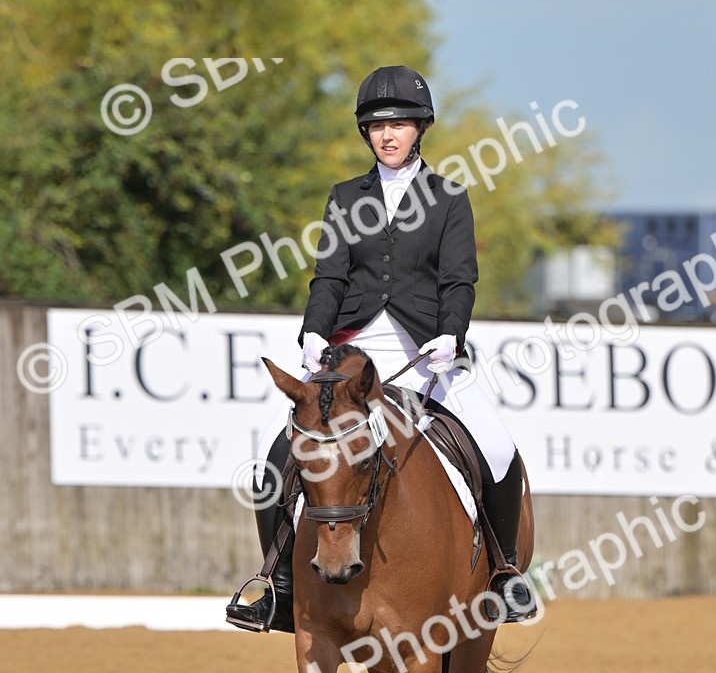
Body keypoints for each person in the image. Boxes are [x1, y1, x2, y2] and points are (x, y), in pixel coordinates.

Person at [226, 64, 536, 632]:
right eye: (377, 127)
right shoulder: (346, 197)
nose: (388, 135)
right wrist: (313, 332)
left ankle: (505, 572)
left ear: (421, 129)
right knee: (274, 456)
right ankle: (278, 584)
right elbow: (329, 277)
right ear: (366, 134)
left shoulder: (448, 198)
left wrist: (452, 333)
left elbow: (458, 280)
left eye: (399, 124)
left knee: (496, 445)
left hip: (427, 347)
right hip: (355, 349)